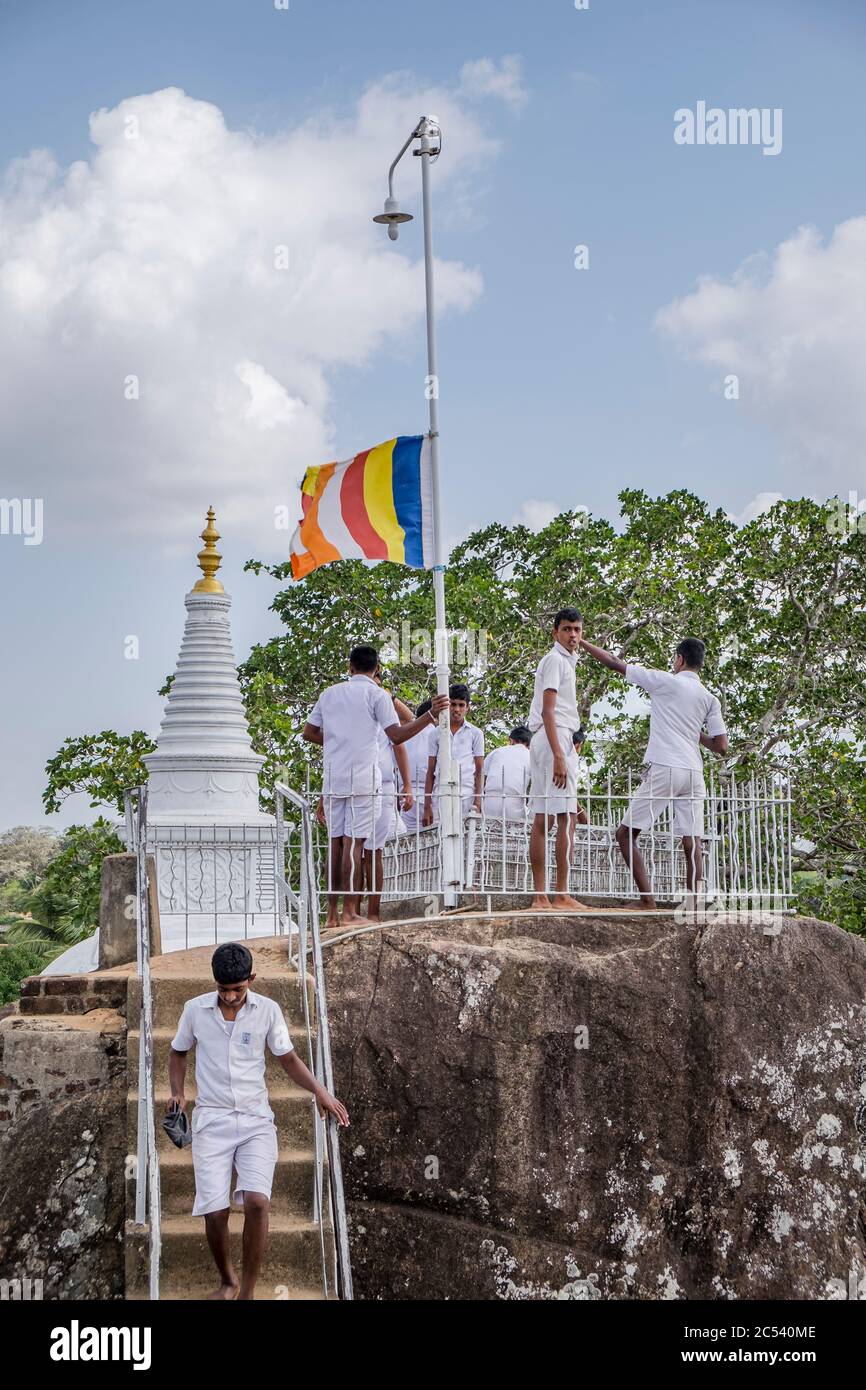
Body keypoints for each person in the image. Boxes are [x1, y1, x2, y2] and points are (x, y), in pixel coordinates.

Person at [167, 942, 349, 1301]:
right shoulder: (195, 1010)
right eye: (223, 989)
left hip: (256, 1121)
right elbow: (177, 1052)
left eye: (238, 989)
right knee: (215, 1211)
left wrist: (320, 1091)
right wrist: (178, 1092)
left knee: (257, 1201)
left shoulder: (267, 1010)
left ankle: (247, 1293)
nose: (231, 996)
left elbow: (289, 1059)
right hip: (211, 1120)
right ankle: (228, 1281)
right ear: (214, 982)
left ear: (251, 979)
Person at [578, 634, 728, 908]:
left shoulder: (666, 681)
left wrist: (583, 642)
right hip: (694, 772)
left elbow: (615, 662)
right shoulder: (710, 699)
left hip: (666, 765)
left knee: (625, 834)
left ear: (680, 659)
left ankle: (647, 899)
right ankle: (694, 904)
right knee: (692, 841)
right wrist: (693, 732)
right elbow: (721, 746)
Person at [303, 646, 448, 926]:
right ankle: (349, 913)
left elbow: (309, 732)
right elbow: (396, 735)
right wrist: (429, 717)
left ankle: (331, 915)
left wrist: (336, 742)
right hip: (364, 778)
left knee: (336, 843)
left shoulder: (329, 694)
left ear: (350, 667)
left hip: (334, 776)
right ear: (377, 668)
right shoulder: (377, 695)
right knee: (356, 845)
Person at [527, 609, 590, 912]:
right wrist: (559, 755)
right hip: (556, 736)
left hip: (549, 738)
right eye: (567, 629)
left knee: (545, 816)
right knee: (565, 818)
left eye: (577, 629)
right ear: (555, 633)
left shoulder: (565, 660)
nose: (573, 635)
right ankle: (559, 894)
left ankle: (543, 895)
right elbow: (548, 711)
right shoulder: (555, 660)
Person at [363, 670, 415, 922]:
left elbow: (407, 723)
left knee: (375, 849)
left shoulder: (385, 709)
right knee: (351, 848)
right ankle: (353, 905)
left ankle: (373, 909)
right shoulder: (355, 705)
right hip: (357, 783)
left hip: (383, 785)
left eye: (379, 683)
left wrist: (388, 697)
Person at [422, 684, 484, 826]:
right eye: (453, 704)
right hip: (441, 794)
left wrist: (477, 802)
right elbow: (430, 771)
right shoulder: (435, 733)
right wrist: (427, 806)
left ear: (467, 707)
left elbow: (480, 770)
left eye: (461, 705)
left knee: (465, 841)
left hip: (466, 795)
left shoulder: (476, 733)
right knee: (440, 838)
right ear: (447, 706)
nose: (457, 709)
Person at [482, 725, 531, 822]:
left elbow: (482, 776)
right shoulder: (530, 755)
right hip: (514, 803)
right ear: (529, 744)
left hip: (489, 801)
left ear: (511, 740)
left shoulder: (496, 752)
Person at [400, 698, 433, 835]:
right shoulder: (437, 734)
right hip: (431, 798)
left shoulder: (404, 735)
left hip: (406, 797)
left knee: (407, 844)